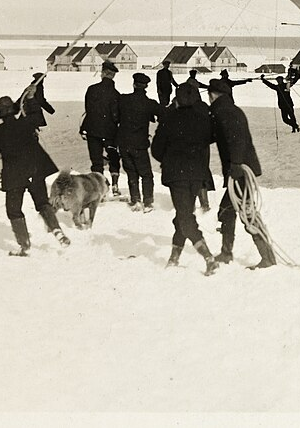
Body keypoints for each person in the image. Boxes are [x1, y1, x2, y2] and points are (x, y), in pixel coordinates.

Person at [151, 82, 219, 274]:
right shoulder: (204, 119)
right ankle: (174, 257)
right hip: (197, 174)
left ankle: (208, 257)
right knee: (184, 214)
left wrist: (169, 158)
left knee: (184, 216)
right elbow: (211, 139)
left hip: (177, 175)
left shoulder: (169, 119)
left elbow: (156, 150)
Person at [208, 79, 276, 269]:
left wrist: (236, 163)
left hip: (240, 171)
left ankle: (267, 257)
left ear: (212, 95)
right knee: (228, 211)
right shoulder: (231, 109)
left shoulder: (223, 112)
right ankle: (226, 252)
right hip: (239, 170)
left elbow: (236, 138)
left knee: (246, 214)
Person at [0, 95, 69, 256]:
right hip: (34, 171)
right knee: (42, 203)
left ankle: (24, 244)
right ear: (13, 110)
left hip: (14, 176)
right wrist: (32, 98)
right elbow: (36, 116)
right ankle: (57, 230)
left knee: (13, 210)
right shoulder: (25, 124)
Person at [116, 72, 162, 211]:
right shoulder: (149, 103)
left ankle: (135, 199)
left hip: (124, 142)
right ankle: (148, 202)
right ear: (146, 86)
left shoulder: (123, 100)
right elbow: (164, 114)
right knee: (146, 174)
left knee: (131, 172)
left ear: (134, 84)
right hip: (140, 144)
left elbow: (115, 116)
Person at [80, 61, 123, 197]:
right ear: (113, 76)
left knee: (96, 160)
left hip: (93, 130)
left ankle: (100, 189)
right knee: (113, 158)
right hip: (110, 132)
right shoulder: (116, 94)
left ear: (103, 73)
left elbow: (88, 109)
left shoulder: (91, 89)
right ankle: (115, 185)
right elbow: (117, 116)